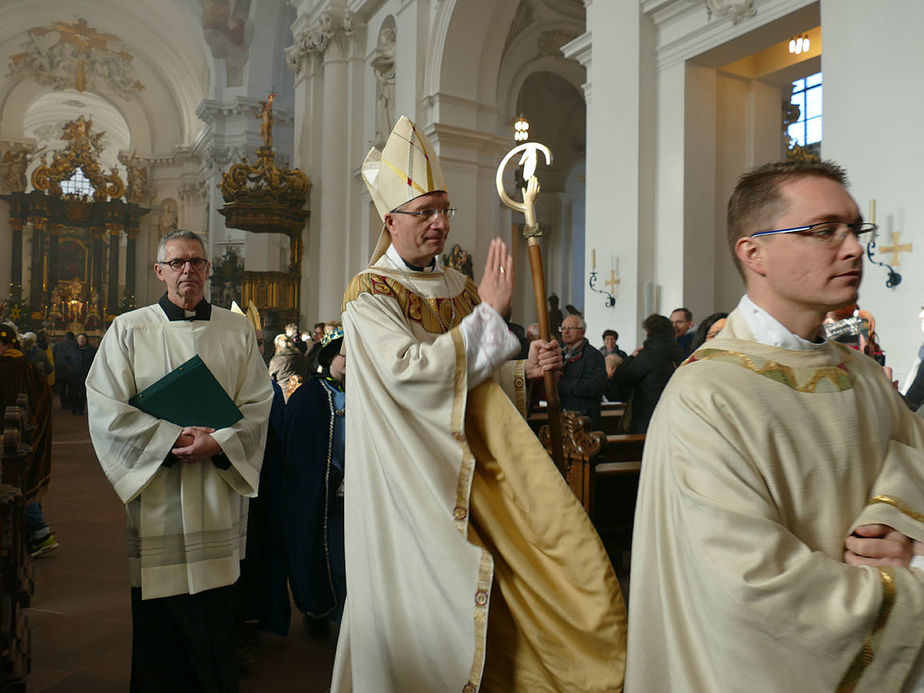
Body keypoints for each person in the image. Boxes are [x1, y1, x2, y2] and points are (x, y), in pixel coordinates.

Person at [332, 116, 626, 692]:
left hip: (472, 465)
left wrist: (522, 370)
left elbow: (475, 377)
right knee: (429, 599)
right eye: (426, 212)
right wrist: (489, 318)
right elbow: (411, 375)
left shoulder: (460, 287)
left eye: (444, 210)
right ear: (390, 221)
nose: (440, 222)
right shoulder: (369, 295)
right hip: (414, 475)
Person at [627, 159, 924, 692]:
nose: (855, 248)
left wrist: (906, 535)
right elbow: (751, 591)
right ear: (753, 252)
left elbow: (914, 467)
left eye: (856, 229)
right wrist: (911, 589)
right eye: (824, 230)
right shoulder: (707, 395)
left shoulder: (863, 376)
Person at [86, 229, 273, 693]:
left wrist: (219, 443)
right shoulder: (129, 329)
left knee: (215, 608)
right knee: (162, 617)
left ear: (208, 269)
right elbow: (105, 408)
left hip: (216, 488)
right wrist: (171, 438)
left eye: (196, 261)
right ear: (160, 271)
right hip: (160, 491)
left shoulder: (235, 330)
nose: (187, 270)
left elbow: (258, 404)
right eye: (176, 263)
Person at [282, 327, 347, 628]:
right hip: (323, 490)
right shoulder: (311, 394)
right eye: (345, 356)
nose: (350, 362)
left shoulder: (373, 393)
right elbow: (297, 446)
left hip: (360, 491)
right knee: (326, 553)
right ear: (332, 358)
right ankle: (319, 609)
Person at [0, 324, 58, 556]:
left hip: (8, 437)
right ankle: (35, 532)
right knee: (25, 480)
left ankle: (39, 532)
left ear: (6, 344)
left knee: (16, 481)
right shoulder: (27, 366)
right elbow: (45, 395)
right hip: (27, 432)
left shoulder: (6, 368)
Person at [605, 314, 680, 433]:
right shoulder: (676, 353)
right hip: (670, 417)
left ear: (649, 332)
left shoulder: (648, 355)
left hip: (646, 419)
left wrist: (629, 359)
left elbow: (623, 381)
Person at [558, 314, 607, 430]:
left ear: (582, 332)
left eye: (570, 328)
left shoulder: (593, 355)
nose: (566, 332)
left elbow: (594, 387)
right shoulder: (560, 354)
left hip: (584, 418)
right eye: (563, 328)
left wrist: (559, 385)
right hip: (563, 415)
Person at [61, 333, 96, 414]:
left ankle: (81, 408)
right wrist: (67, 365)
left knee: (83, 392)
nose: (81, 340)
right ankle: (74, 407)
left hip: (85, 373)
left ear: (86, 340)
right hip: (74, 373)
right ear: (77, 340)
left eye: (83, 339)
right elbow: (63, 357)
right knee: (73, 391)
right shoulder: (72, 349)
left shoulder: (92, 350)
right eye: (79, 339)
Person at [267, 333, 308, 397]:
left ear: (278, 347)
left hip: (285, 395)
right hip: (303, 394)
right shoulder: (302, 357)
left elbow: (270, 381)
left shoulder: (277, 361)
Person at [53, 331, 76, 408]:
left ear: (65, 337)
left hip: (60, 368)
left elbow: (54, 355)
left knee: (62, 387)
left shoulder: (58, 344)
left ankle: (63, 403)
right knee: (71, 386)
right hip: (71, 368)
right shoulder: (75, 344)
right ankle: (70, 403)